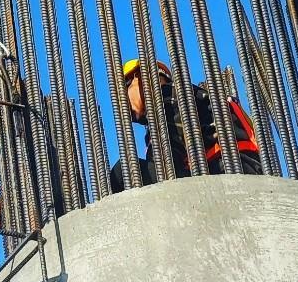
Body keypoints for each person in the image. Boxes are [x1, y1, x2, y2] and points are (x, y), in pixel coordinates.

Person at [110, 57, 262, 190]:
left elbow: (167, 164)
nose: (125, 110)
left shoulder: (169, 96)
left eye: (123, 97)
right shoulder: (193, 96)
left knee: (124, 171)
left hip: (225, 173)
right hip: (241, 170)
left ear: (139, 77)